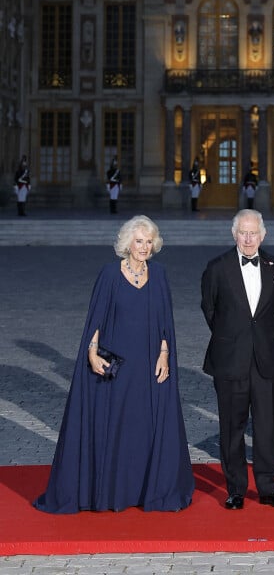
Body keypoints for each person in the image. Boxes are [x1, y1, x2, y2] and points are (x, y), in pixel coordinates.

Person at [33, 215, 194, 513]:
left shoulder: (159, 275)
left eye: (148, 242)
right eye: (138, 241)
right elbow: (96, 318)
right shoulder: (109, 274)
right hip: (117, 365)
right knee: (117, 425)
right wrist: (92, 353)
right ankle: (111, 492)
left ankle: (145, 490)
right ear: (127, 243)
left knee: (144, 426)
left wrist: (164, 355)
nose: (144, 247)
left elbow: (165, 323)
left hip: (148, 364)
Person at [201, 209, 274, 510]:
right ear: (234, 234)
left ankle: (267, 487)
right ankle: (236, 488)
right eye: (243, 232)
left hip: (265, 357)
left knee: (267, 425)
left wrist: (255, 336)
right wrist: (234, 337)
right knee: (232, 426)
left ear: (263, 235)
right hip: (230, 358)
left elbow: (273, 310)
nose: (249, 238)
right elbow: (210, 310)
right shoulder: (216, 268)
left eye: (254, 232)